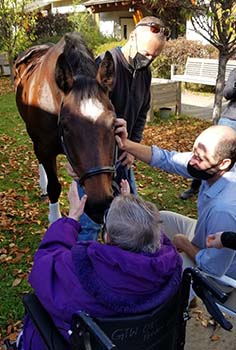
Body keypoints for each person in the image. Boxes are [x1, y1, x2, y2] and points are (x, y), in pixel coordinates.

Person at [19, 180, 182, 350]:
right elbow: (154, 236)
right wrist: (131, 212)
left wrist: (72, 219)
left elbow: (45, 263)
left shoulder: (80, 274)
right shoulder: (171, 264)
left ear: (108, 238)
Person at [78, 16, 169, 240]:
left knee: (129, 219)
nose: (149, 60)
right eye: (147, 54)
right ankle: (85, 266)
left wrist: (132, 148)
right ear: (133, 36)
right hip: (97, 160)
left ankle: (117, 265)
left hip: (122, 156)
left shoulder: (144, 72)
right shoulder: (106, 66)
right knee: (90, 223)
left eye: (154, 57)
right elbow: (82, 118)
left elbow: (141, 114)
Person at [115, 118, 236, 278]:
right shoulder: (216, 167)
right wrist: (126, 145)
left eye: (199, 158)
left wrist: (184, 244)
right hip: (205, 235)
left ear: (223, 163)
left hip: (221, 277)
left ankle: (180, 297)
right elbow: (167, 159)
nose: (191, 161)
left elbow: (213, 268)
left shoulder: (223, 209)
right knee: (160, 220)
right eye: (193, 153)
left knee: (164, 277)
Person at [180, 68, 236, 201]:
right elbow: (227, 93)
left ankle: (227, 194)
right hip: (231, 120)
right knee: (207, 156)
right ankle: (195, 186)